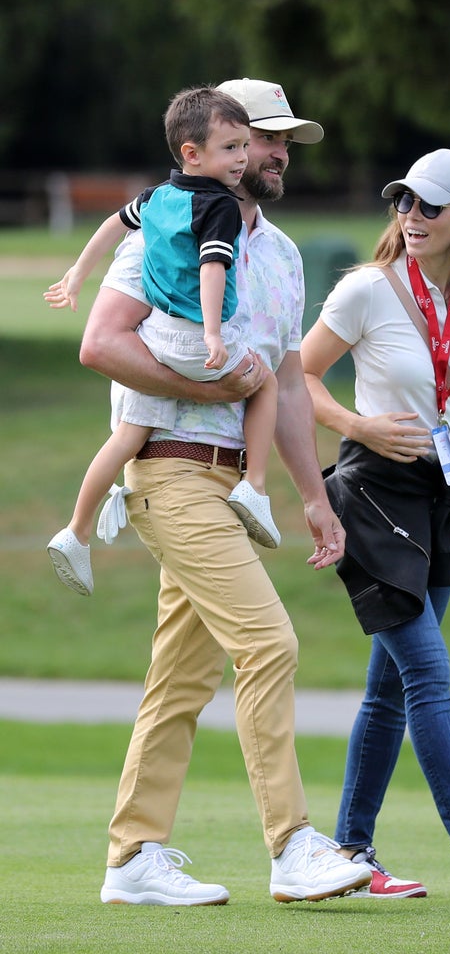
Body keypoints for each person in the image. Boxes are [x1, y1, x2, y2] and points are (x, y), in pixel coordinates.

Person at [64, 77, 375, 907]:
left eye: (282, 143)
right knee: (270, 644)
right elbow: (101, 342)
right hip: (169, 467)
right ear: (217, 146)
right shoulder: (166, 227)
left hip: (234, 482)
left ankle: (132, 859)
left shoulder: (276, 252)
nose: (276, 154)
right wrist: (200, 390)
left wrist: (314, 496)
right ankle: (292, 846)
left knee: (178, 683)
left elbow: (284, 379)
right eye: (264, 138)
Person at [300, 148, 450, 903]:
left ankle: (351, 852)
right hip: (371, 491)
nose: (411, 217)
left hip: (440, 493)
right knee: (428, 678)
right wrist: (358, 425)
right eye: (402, 202)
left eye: (428, 207)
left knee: (389, 692)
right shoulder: (367, 290)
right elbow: (297, 376)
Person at [45, 88, 279, 599]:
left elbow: (112, 224)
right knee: (266, 383)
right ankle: (255, 488)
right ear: (193, 154)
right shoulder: (219, 205)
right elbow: (213, 267)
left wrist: (78, 273)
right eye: (232, 148)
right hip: (198, 340)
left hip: (156, 339)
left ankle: (76, 532)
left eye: (245, 146)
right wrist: (215, 335)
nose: (242, 159)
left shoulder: (156, 197)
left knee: (129, 434)